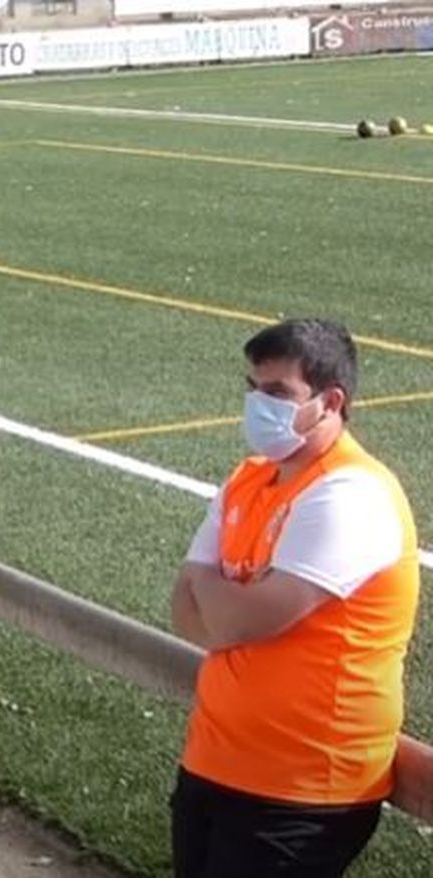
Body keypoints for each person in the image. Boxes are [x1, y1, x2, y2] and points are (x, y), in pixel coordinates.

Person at [170, 319, 419, 878]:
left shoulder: (352, 494)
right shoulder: (249, 478)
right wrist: (225, 607)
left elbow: (233, 617)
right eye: (253, 388)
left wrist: (219, 596)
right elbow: (184, 611)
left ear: (331, 402)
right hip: (213, 763)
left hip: (302, 793)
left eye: (278, 393)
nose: (258, 405)